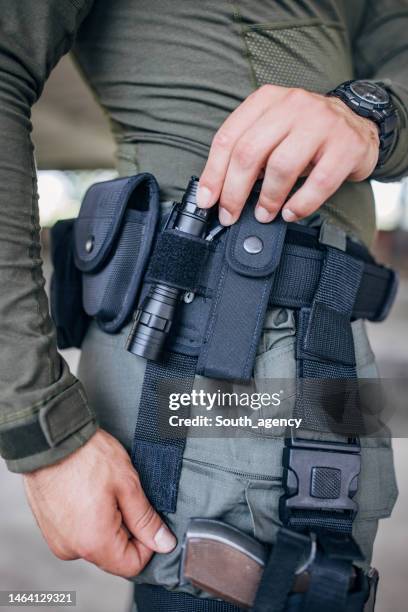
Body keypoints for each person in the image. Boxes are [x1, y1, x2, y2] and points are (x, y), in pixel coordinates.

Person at [0, 1, 405, 610]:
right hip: (208, 348)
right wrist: (40, 429)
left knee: (326, 582)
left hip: (329, 336)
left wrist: (370, 114)